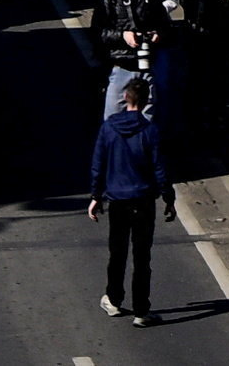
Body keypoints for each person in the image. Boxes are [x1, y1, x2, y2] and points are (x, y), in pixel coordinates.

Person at [95, 70, 177, 322]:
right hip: (143, 200)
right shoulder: (150, 131)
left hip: (117, 200)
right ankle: (142, 310)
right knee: (142, 256)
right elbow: (160, 168)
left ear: (125, 98)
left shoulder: (109, 128)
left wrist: (95, 196)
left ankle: (113, 299)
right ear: (144, 101)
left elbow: (99, 163)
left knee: (117, 252)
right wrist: (168, 197)